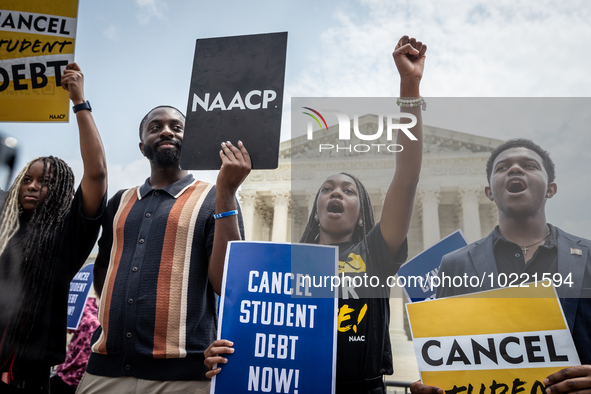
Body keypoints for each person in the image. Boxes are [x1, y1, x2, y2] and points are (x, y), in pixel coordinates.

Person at [204, 35, 427, 394]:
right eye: (327, 188)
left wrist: (410, 86)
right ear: (316, 209)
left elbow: (407, 175)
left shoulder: (375, 255)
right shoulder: (287, 264)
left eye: (349, 190)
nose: (336, 192)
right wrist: (228, 349)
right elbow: (231, 284)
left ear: (363, 211)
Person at [77, 105, 251, 393]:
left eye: (177, 127)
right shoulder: (119, 201)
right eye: (155, 127)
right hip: (104, 369)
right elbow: (104, 267)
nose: (167, 131)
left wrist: (227, 193)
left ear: (191, 139)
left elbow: (227, 284)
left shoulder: (215, 196)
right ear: (142, 146)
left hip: (184, 376)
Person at [410, 139, 591, 394]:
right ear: (489, 192)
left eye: (529, 165)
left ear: (551, 189)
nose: (515, 170)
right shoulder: (454, 265)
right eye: (502, 167)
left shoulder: (588, 256)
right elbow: (446, 351)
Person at [0, 63, 107, 393]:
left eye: (44, 182)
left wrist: (79, 102)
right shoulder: (5, 225)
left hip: (25, 377)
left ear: (60, 191)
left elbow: (97, 175)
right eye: (27, 180)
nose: (31, 187)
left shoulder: (67, 235)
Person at [50, 294, 100, 393]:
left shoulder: (117, 308)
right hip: (69, 374)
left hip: (93, 379)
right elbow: (65, 328)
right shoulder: (84, 303)